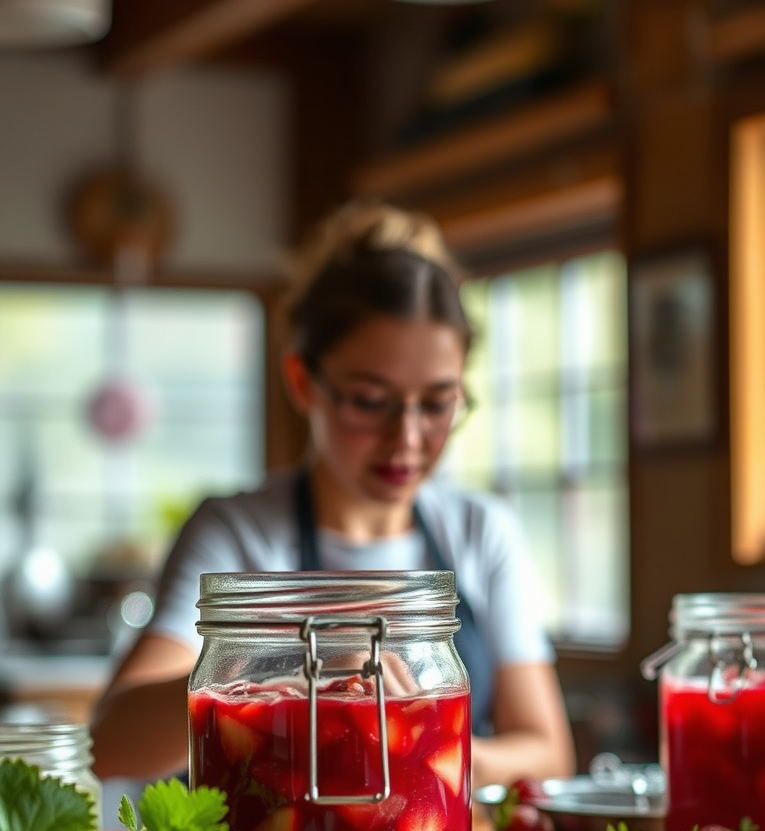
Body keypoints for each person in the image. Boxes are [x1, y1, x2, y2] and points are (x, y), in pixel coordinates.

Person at [89, 198, 577, 790]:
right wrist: (295, 662)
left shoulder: (480, 530)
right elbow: (110, 741)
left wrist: (416, 740)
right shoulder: (238, 533)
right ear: (304, 382)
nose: (408, 438)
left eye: (437, 403)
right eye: (371, 401)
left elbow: (548, 755)